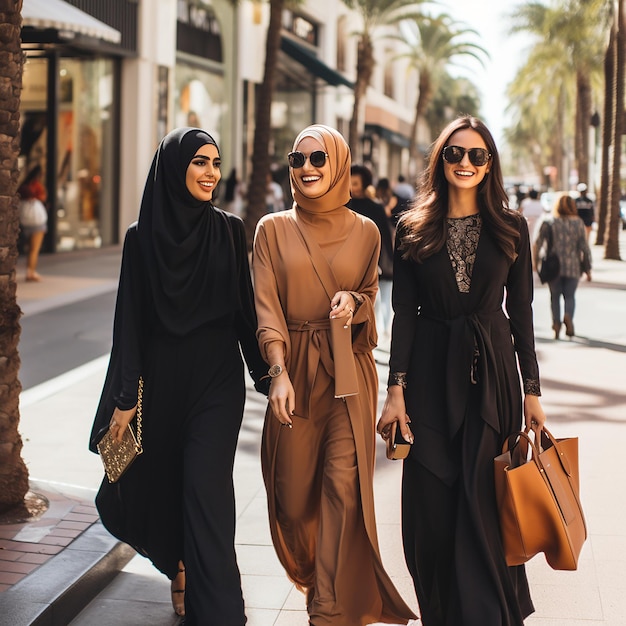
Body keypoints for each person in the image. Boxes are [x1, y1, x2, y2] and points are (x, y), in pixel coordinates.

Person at [88, 128, 270, 625]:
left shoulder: (230, 231)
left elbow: (243, 315)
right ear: (173, 168)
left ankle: (221, 613)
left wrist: (268, 379)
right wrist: (125, 399)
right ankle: (181, 565)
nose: (211, 172)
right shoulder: (140, 239)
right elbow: (129, 325)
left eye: (215, 161)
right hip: (161, 385)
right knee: (168, 486)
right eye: (199, 162)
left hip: (217, 384)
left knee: (207, 492)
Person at [377, 115, 547, 626]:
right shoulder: (411, 227)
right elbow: (403, 312)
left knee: (482, 502)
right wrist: (396, 389)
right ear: (441, 160)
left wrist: (532, 391)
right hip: (428, 376)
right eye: (455, 154)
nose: (465, 163)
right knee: (430, 505)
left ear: (489, 163)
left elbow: (521, 312)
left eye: (476, 155)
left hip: (492, 379)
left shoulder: (511, 227)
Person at [252, 124, 416, 625]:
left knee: (343, 488)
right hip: (294, 372)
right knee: (292, 499)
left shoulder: (367, 231)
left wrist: (356, 302)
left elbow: (371, 299)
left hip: (349, 374)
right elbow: (266, 309)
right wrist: (277, 372)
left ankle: (326, 607)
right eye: (297, 160)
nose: (306, 169)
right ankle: (313, 577)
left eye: (318, 159)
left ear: (338, 163)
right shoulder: (271, 229)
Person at [534, 193, 592, 339]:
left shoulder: (549, 221)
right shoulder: (578, 222)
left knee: (555, 296)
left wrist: (535, 262)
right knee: (570, 296)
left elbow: (537, 243)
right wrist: (588, 268)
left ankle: (556, 324)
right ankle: (568, 317)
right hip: (573, 266)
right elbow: (584, 247)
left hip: (553, 268)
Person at [350, 164, 394, 339]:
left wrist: (390, 259)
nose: (352, 187)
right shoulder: (342, 204)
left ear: (364, 183)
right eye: (349, 182)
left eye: (356, 183)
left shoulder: (375, 208)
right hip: (345, 262)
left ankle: (368, 339)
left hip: (370, 263)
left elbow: (383, 234)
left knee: (369, 304)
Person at [17, 164, 48, 282]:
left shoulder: (23, 186)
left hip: (25, 219)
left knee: (29, 248)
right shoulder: (37, 185)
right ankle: (31, 272)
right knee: (34, 249)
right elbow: (43, 197)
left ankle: (30, 271)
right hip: (37, 220)